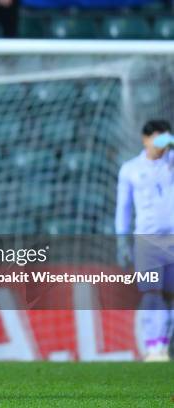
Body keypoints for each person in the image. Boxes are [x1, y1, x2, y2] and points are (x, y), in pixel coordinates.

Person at [115, 119, 174, 362]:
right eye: (158, 139)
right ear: (145, 139)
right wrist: (121, 241)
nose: (162, 145)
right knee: (152, 292)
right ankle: (153, 346)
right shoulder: (130, 169)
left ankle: (163, 344)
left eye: (166, 139)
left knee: (170, 295)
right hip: (146, 240)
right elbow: (123, 208)